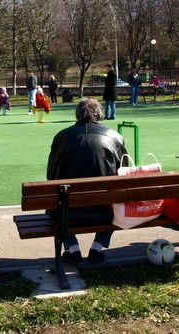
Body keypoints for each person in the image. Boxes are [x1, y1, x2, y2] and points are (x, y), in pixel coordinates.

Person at [47, 98, 128, 264]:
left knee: (55, 205)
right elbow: (125, 174)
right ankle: (97, 248)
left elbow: (51, 174)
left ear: (78, 114)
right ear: (100, 114)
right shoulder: (115, 137)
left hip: (68, 211)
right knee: (117, 202)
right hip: (106, 211)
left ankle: (73, 248)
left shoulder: (62, 137)